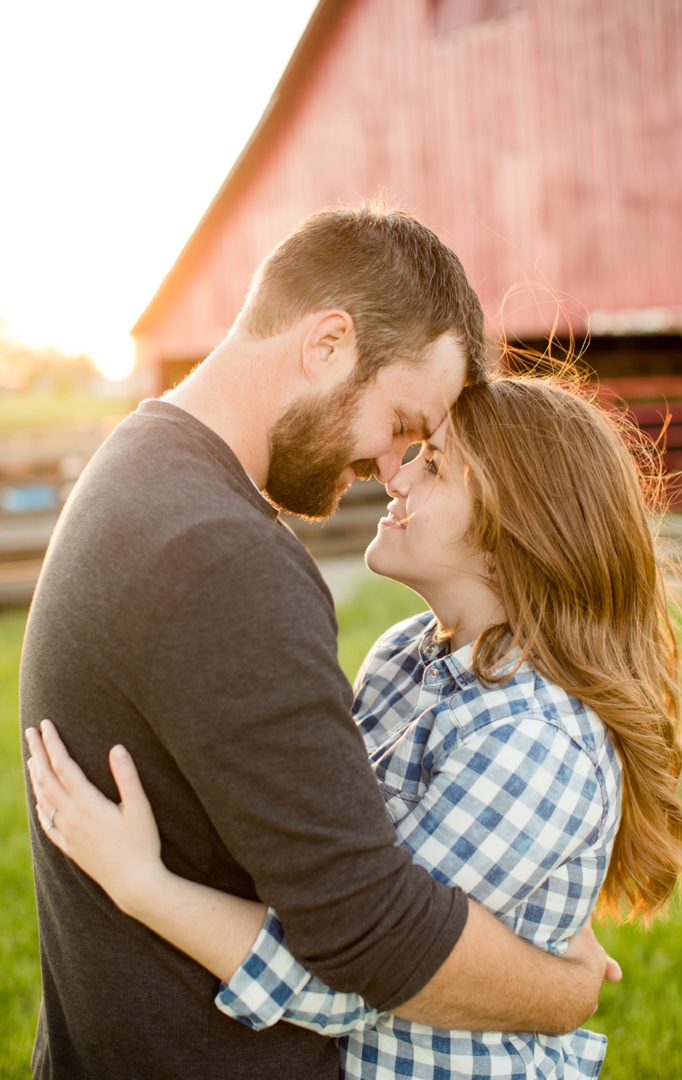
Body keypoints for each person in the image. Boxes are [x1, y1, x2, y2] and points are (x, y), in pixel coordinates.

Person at [19, 205, 614, 1080]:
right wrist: (565, 988)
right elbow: (371, 936)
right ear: (328, 344)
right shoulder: (225, 557)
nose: (389, 468)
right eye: (404, 422)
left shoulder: (142, 463)